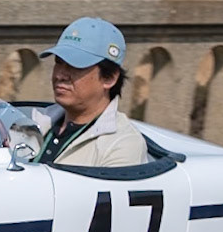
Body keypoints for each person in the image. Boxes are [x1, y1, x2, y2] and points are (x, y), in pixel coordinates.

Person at [35, 17, 149, 167]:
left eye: (75, 66)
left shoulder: (123, 144)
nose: (60, 75)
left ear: (109, 78)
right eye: (58, 62)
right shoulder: (34, 121)